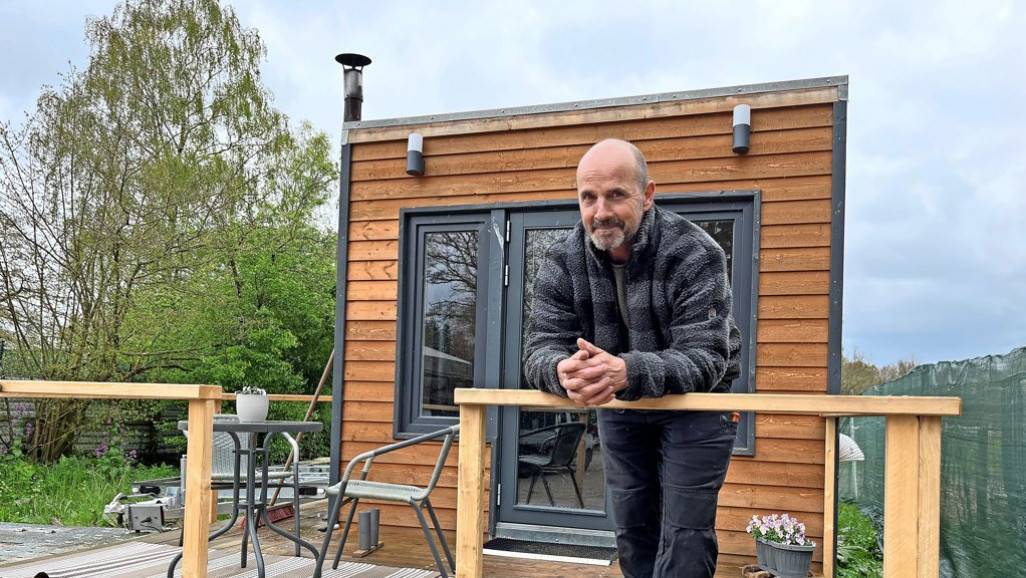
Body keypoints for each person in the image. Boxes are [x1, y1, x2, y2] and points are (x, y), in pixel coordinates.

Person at [522, 138, 742, 578]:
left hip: (697, 404)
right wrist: (561, 371)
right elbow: (539, 347)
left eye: (616, 195)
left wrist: (627, 370)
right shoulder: (561, 259)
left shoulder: (695, 252)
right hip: (620, 402)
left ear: (647, 195)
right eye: (589, 197)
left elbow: (705, 356)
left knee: (685, 535)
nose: (601, 211)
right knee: (633, 529)